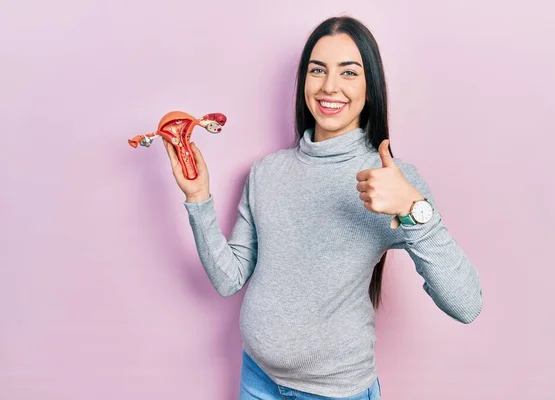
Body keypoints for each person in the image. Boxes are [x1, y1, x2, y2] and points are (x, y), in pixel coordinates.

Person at [162, 15, 483, 400]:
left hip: (335, 393)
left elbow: (466, 304)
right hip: (257, 380)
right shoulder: (267, 173)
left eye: (349, 72)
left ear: (370, 87)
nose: (330, 86)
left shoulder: (390, 179)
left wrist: (414, 207)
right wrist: (198, 198)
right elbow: (229, 279)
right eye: (318, 70)